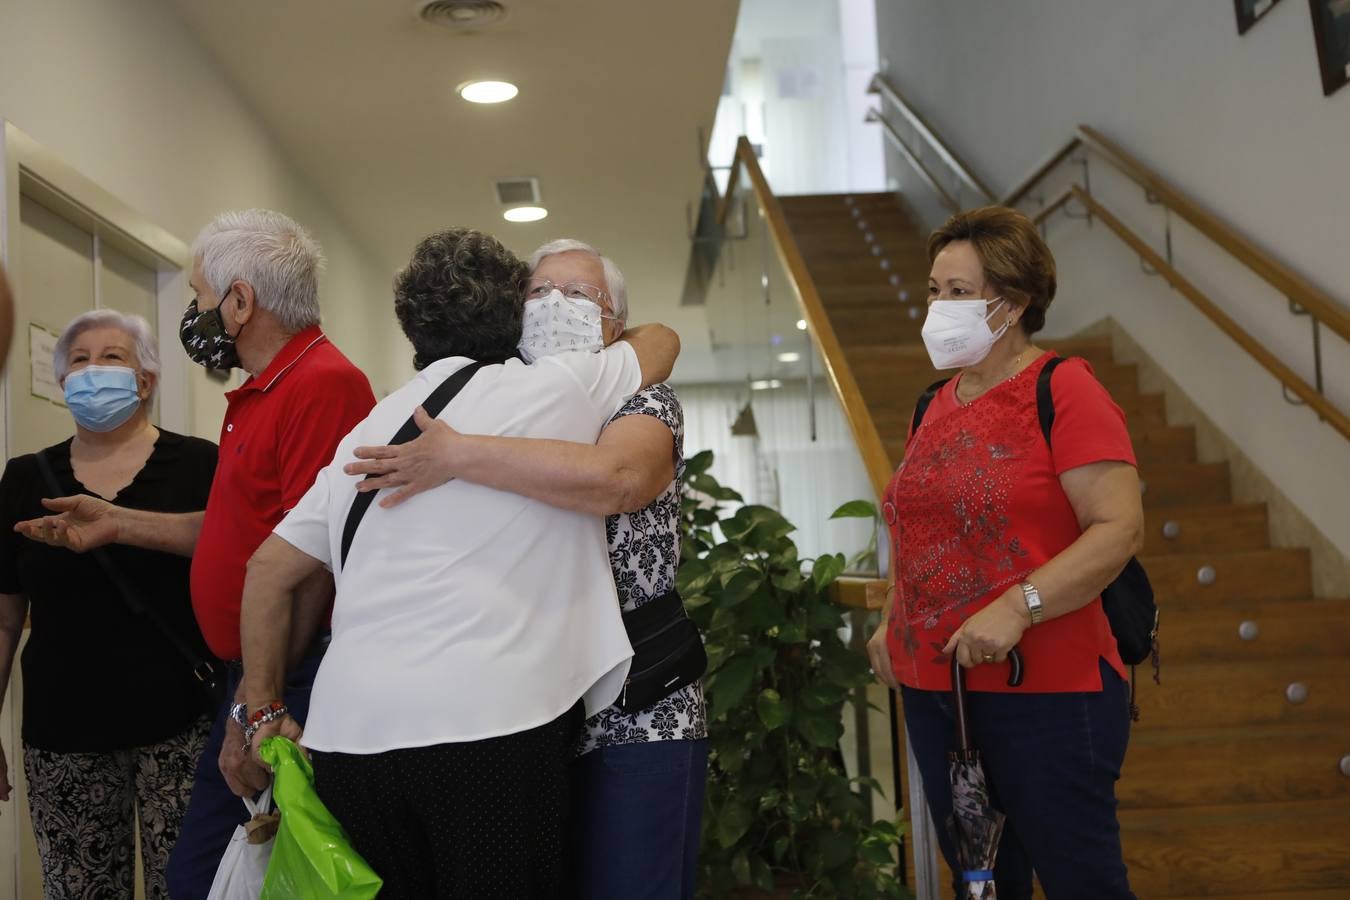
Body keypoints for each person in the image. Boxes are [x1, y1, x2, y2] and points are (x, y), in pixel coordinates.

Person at [239, 227, 681, 899]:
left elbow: (268, 569)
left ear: (410, 327)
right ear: (516, 316)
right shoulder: (560, 391)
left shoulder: (371, 427)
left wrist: (260, 708)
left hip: (348, 740)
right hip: (486, 730)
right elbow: (659, 343)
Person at [13, 209, 376, 899]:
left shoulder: (323, 384)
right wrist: (116, 525)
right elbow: (241, 531)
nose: (196, 312)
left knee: (214, 878)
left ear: (241, 301)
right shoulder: (262, 390)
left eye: (201, 294)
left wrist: (257, 705)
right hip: (255, 676)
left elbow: (311, 560)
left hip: (282, 679)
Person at [865, 206, 1144, 899]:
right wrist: (894, 612)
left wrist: (1020, 607)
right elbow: (920, 524)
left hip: (1046, 689)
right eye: (934, 290)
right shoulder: (933, 404)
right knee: (983, 885)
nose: (938, 307)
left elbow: (1117, 528)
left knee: (1084, 881)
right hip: (939, 691)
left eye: (958, 292)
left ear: (1013, 302)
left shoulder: (1064, 388)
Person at [0, 310, 218, 899]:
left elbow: (236, 552)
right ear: (63, 382)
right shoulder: (24, 477)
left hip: (183, 726)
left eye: (113, 357)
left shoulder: (203, 463)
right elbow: (4, 616)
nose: (93, 370)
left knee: (190, 887)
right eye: (79, 360)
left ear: (145, 379)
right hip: (61, 730)